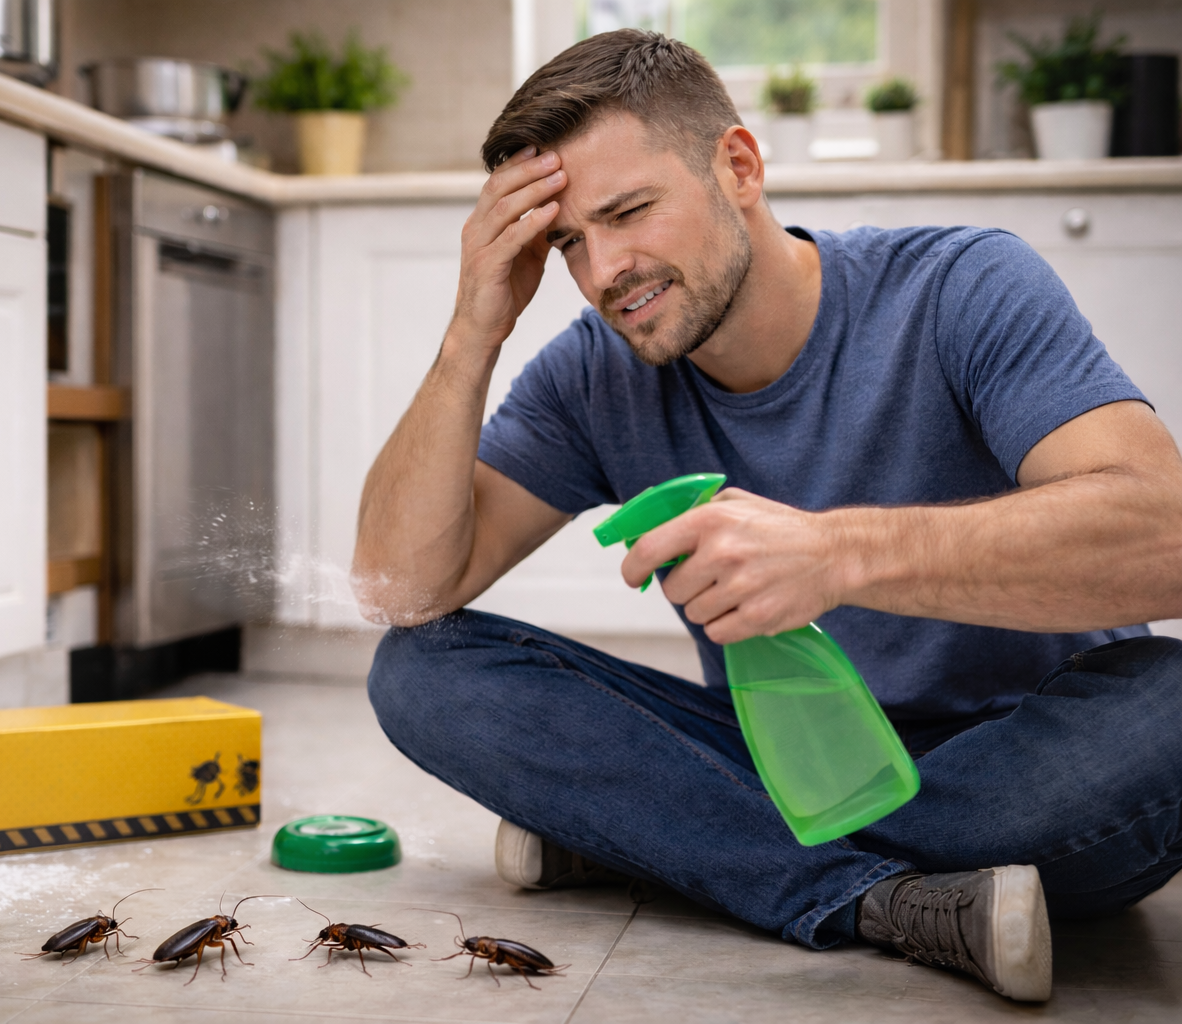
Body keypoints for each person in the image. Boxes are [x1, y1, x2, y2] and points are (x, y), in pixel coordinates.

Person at [351, 30, 1182, 1003]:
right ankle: (882, 899)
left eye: (628, 212)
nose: (605, 270)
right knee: (421, 669)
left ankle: (671, 838)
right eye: (569, 240)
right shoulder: (594, 373)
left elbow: (1165, 532)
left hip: (1020, 762)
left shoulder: (961, 286)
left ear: (738, 165)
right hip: (793, 762)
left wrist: (839, 555)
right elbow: (396, 586)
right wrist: (471, 329)